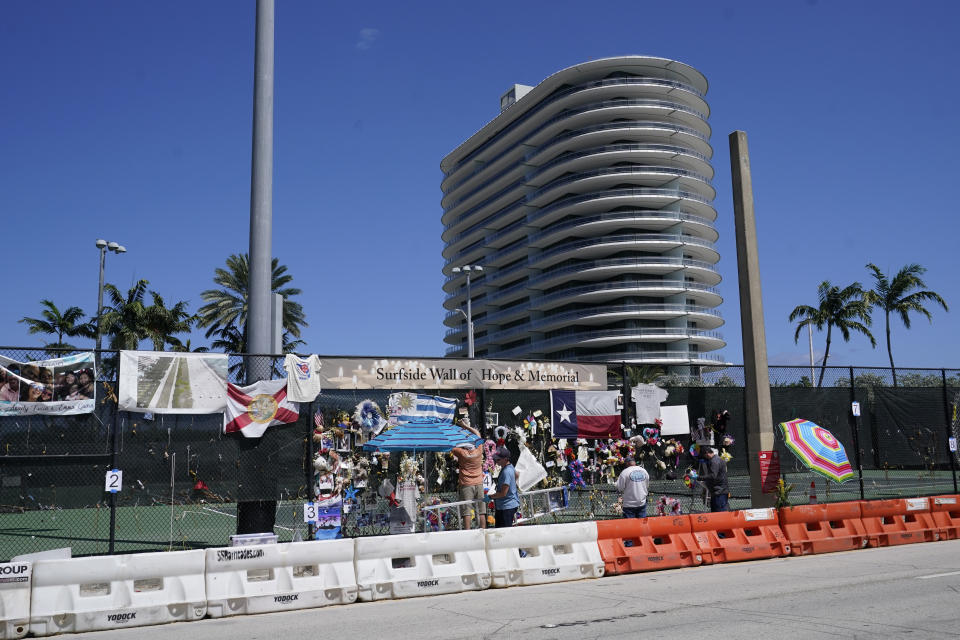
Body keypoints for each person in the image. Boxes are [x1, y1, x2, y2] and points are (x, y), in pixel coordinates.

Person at [450, 422, 485, 529]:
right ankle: (483, 531)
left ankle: (467, 532)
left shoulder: (462, 453)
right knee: (482, 510)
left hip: (466, 485)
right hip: (479, 483)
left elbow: (450, 444)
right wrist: (465, 426)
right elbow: (477, 433)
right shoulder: (479, 450)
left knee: (467, 510)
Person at [488, 446, 519, 528]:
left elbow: (503, 493)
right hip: (505, 506)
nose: (496, 461)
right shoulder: (510, 467)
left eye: (498, 460)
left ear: (505, 459)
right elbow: (517, 475)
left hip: (506, 507)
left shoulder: (506, 471)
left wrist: (490, 496)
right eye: (495, 459)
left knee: (504, 533)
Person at [701, 447, 729, 512]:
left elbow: (713, 475)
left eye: (705, 455)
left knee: (719, 512)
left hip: (719, 491)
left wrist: (701, 477)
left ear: (707, 454)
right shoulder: (717, 459)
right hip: (718, 491)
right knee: (716, 511)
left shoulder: (714, 461)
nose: (705, 457)